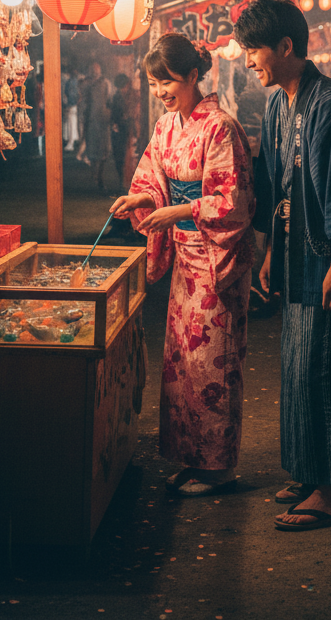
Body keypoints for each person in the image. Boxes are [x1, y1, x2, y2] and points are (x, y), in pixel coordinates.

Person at [236, 0, 331, 531]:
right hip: (295, 260)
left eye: (254, 50)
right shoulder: (278, 105)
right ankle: (306, 472)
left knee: (327, 370)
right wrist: (271, 248)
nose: (249, 61)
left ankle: (330, 492)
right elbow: (277, 185)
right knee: (298, 368)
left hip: (329, 262)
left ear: (286, 46)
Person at [110, 34, 256, 497]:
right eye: (154, 83)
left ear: (194, 75)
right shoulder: (167, 126)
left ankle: (219, 467)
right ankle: (194, 460)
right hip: (185, 260)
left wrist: (177, 211)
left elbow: (233, 201)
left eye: (167, 81)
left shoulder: (220, 127)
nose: (160, 92)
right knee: (184, 363)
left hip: (216, 261)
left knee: (213, 363)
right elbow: (155, 179)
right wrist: (141, 199)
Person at [81, 61, 113, 188]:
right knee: (92, 149)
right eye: (92, 69)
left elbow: (109, 100)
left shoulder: (106, 83)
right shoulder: (86, 84)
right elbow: (83, 101)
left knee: (104, 149)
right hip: (91, 121)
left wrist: (108, 116)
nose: (94, 71)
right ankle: (94, 176)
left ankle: (100, 176)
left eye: (96, 69)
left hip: (103, 121)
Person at [110, 72, 141, 193]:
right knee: (119, 156)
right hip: (119, 130)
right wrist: (115, 123)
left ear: (128, 84)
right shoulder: (116, 96)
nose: (121, 90)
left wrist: (128, 117)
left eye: (123, 87)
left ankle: (130, 184)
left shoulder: (135, 96)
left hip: (131, 130)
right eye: (119, 88)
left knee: (130, 157)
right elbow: (114, 113)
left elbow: (136, 113)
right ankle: (122, 183)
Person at [62, 67, 81, 152]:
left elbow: (68, 94)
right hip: (77, 106)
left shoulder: (69, 82)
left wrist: (68, 104)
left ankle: (71, 143)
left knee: (71, 125)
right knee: (75, 125)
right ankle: (75, 142)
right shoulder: (78, 81)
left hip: (71, 105)